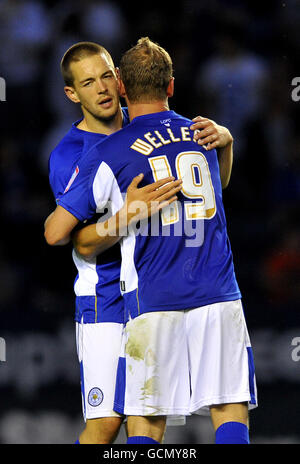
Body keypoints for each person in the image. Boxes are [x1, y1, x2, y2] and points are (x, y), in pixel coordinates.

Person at [51, 37, 257, 445]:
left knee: (144, 417)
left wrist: (225, 141)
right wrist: (125, 217)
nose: (103, 88)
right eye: (89, 82)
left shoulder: (132, 134)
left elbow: (208, 192)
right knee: (108, 423)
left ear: (122, 82)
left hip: (148, 288)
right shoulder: (71, 153)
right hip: (106, 296)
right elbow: (74, 242)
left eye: (107, 76)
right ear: (72, 93)